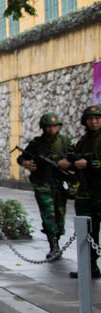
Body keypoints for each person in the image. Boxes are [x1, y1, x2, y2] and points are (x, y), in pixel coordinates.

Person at [17, 113, 74, 261]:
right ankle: (53, 246)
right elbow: (22, 157)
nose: (51, 129)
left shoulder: (66, 141)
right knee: (48, 215)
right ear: (43, 128)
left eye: (54, 126)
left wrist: (67, 163)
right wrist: (25, 163)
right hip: (43, 184)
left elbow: (75, 157)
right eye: (48, 127)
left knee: (60, 216)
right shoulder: (37, 144)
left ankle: (58, 238)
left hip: (60, 185)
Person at [59, 105, 101, 278]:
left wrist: (89, 164)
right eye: (90, 119)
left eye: (97, 118)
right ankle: (89, 267)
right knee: (87, 231)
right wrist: (67, 164)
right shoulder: (84, 140)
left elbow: (89, 163)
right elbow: (75, 161)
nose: (94, 122)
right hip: (85, 192)